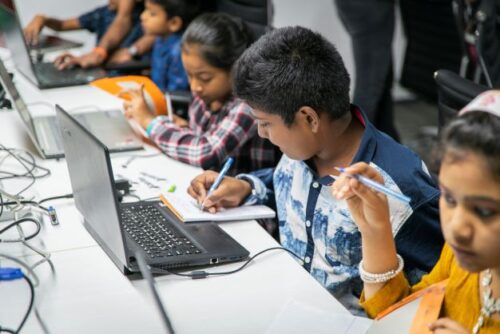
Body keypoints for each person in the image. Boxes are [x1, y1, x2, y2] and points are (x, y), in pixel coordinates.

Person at [187, 26, 443, 313]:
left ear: (308, 118)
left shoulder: (399, 187)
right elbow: (290, 188)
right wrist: (248, 186)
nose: (260, 133)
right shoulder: (304, 148)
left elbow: (441, 287)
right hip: (285, 303)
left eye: (265, 123)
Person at [333, 90, 500, 332]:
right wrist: (375, 227)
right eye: (450, 199)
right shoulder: (459, 259)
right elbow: (399, 316)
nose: (456, 228)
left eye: (484, 211)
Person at [123, 13, 279, 175]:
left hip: (241, 193)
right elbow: (203, 136)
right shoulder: (204, 94)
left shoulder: (249, 106)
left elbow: (206, 152)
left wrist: (150, 122)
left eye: (204, 78)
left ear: (236, 68)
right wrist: (182, 129)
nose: (194, 86)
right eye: (189, 75)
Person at [334, 0, 400, 141]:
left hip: (362, 7)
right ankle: (355, 152)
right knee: (369, 88)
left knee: (381, 80)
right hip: (370, 7)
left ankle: (389, 145)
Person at [30, 0, 155, 69]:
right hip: (98, 72)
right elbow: (62, 25)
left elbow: (123, 19)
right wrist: (43, 19)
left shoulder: (148, 20)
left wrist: (98, 54)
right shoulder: (103, 14)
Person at [139, 0, 202, 92]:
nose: (143, 16)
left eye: (152, 14)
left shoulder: (179, 52)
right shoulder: (160, 38)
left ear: (174, 23)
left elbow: (176, 91)